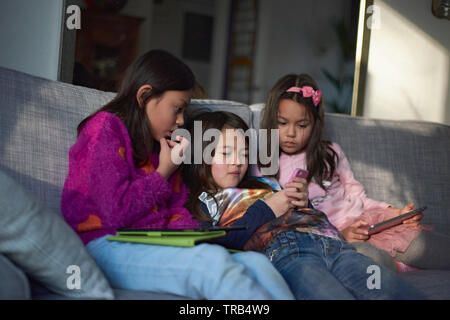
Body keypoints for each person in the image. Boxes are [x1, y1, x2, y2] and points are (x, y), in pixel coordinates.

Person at [61, 50, 294, 300]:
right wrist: (163, 171)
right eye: (177, 109)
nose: (181, 120)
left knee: (256, 264)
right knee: (210, 263)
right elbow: (115, 213)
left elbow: (176, 213)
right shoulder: (105, 129)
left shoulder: (160, 144)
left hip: (152, 242)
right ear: (145, 96)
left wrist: (198, 237)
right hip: (104, 243)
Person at [182, 110, 425, 299]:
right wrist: (268, 209)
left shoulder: (263, 182)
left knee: (395, 291)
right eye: (226, 153)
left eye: (244, 153)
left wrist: (303, 200)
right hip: (291, 255)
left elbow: (315, 218)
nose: (238, 161)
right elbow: (222, 241)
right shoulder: (206, 201)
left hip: (335, 246)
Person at [257, 73, 450, 273]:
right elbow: (284, 225)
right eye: (282, 123)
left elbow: (358, 196)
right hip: (335, 237)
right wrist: (340, 234)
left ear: (314, 124)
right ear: (271, 120)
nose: (291, 133)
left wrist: (397, 213)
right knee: (373, 261)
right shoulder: (264, 166)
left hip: (369, 222)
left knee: (423, 245)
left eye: (302, 125)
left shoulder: (330, 152)